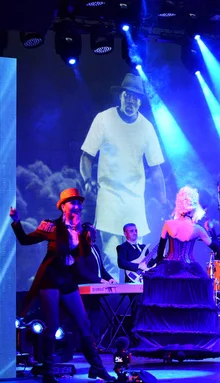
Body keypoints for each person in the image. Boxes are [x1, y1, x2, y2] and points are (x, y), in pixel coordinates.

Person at [10, 188, 115, 383]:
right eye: (72, 203)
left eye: (78, 203)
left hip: (68, 280)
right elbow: (25, 241)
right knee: (53, 325)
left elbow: (83, 257)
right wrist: (16, 222)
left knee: (84, 323)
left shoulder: (82, 230)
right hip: (50, 279)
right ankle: (48, 372)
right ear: (63, 207)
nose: (76, 206)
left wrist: (85, 237)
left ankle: (97, 368)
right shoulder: (51, 227)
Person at [80, 73, 167, 283]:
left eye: (135, 97)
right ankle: (112, 311)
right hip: (109, 199)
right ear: (120, 96)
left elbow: (156, 169)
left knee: (138, 263)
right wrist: (86, 180)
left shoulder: (146, 127)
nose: (131, 101)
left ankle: (135, 310)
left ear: (140, 101)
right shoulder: (104, 119)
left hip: (134, 202)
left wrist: (164, 202)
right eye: (127, 95)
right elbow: (87, 156)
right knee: (110, 257)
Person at [131, 186, 220, 360]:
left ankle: (167, 347)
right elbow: (216, 248)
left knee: (169, 312)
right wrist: (212, 232)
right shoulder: (198, 229)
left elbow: (160, 254)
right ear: (194, 207)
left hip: (169, 270)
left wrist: (157, 269)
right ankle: (188, 346)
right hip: (191, 272)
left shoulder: (168, 224)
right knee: (188, 312)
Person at [77, 222, 116, 343]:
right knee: (85, 316)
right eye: (92, 231)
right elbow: (81, 270)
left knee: (95, 315)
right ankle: (83, 344)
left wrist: (109, 278)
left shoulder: (95, 247)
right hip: (85, 288)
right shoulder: (80, 249)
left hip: (96, 289)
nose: (95, 234)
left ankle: (96, 343)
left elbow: (101, 269)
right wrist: (99, 280)